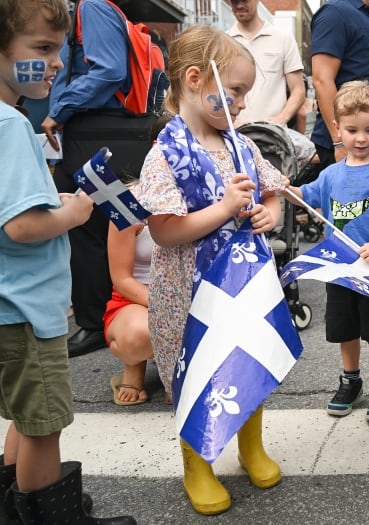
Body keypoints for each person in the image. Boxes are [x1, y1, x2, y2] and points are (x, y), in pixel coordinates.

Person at [135, 25, 284, 516]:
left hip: (242, 284)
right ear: (197, 79)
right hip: (189, 290)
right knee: (197, 370)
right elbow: (164, 230)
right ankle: (197, 464)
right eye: (235, 91)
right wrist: (224, 209)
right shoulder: (165, 152)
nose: (241, 104)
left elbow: (271, 192)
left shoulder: (241, 145)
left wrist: (269, 213)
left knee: (247, 357)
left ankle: (251, 447)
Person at [0, 1, 136, 523]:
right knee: (43, 425)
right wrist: (76, 208)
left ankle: (16, 504)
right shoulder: (11, 126)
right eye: (42, 49)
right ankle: (49, 516)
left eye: (58, 49)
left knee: (22, 415)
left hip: (11, 306)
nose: (56, 63)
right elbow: (22, 225)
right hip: (27, 308)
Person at [284, 80, 369, 423]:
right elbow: (303, 197)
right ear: (337, 127)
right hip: (339, 269)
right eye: (352, 130)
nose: (360, 138)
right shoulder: (330, 175)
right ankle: (350, 380)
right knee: (345, 328)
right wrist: (284, 188)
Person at [41, 0, 135, 358]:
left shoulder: (92, 7)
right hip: (100, 130)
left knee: (90, 227)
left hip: (92, 130)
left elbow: (109, 70)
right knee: (104, 224)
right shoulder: (95, 7)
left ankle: (97, 322)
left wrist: (60, 109)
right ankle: (102, 318)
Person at [310, 0, 369, 171]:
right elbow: (322, 80)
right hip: (347, 140)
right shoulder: (335, 12)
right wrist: (339, 141)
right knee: (349, 198)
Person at [227, 0, 305, 128]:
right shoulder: (224, 41)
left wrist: (281, 118)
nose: (239, 5)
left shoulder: (283, 39)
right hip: (235, 134)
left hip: (272, 136)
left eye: (245, 0)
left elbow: (298, 90)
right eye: (235, 1)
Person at [104, 218, 154, 406]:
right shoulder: (126, 207)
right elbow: (121, 279)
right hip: (133, 299)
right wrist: (166, 308)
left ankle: (175, 369)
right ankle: (134, 365)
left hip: (191, 293)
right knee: (139, 335)